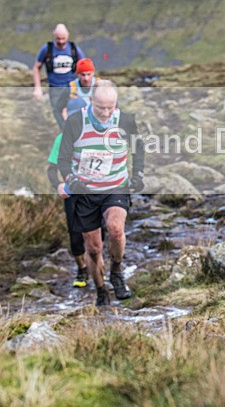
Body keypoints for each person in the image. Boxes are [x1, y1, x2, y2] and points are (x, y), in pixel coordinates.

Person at [57, 80, 145, 307]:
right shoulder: (76, 122)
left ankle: (116, 271)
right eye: (100, 108)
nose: (106, 113)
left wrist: (138, 175)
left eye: (110, 107)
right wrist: (70, 179)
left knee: (116, 229)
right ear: (91, 102)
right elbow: (63, 158)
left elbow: (138, 148)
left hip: (115, 185)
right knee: (94, 249)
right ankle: (101, 290)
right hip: (84, 191)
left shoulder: (125, 120)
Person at [47, 98, 90, 288]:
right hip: (71, 192)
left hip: (93, 192)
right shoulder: (61, 138)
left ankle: (97, 265)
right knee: (75, 234)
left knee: (96, 232)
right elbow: (51, 169)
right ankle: (82, 269)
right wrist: (57, 185)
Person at [33, 23, 85, 128]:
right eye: (58, 39)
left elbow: (84, 66)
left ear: (68, 36)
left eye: (63, 39)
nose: (61, 41)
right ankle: (64, 135)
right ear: (54, 36)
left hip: (72, 87)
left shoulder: (74, 49)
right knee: (59, 114)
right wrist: (37, 88)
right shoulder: (47, 49)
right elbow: (36, 67)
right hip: (55, 88)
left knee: (73, 112)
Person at [58, 57, 96, 122]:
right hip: (76, 122)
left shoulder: (100, 86)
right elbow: (58, 109)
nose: (86, 78)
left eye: (89, 74)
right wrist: (64, 126)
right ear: (77, 74)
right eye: (83, 75)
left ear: (93, 73)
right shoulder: (70, 88)